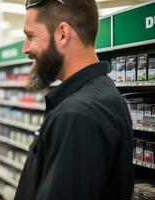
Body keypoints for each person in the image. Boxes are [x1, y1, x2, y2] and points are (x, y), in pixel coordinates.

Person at [14, 0, 134, 199]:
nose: (25, 48)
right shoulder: (102, 93)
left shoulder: (77, 115)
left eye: (30, 36)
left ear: (62, 34)